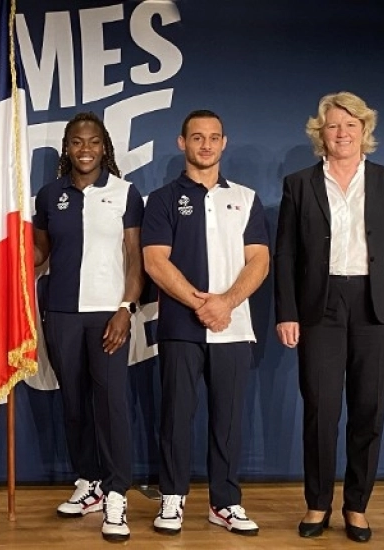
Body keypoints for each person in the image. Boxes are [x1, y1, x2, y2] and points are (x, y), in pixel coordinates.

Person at [274, 92, 384, 543]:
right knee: (320, 409)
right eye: (334, 125)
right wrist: (287, 312)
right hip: (321, 303)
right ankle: (317, 503)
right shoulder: (299, 184)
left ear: (364, 131)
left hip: (376, 305)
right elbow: (286, 255)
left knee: (369, 408)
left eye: (351, 125)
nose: (342, 133)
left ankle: (356, 506)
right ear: (320, 133)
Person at [142, 110, 269, 537]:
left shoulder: (247, 198)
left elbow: (260, 259)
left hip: (233, 326)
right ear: (182, 143)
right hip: (181, 325)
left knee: (229, 419)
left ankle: (226, 502)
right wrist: (201, 304)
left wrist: (226, 302)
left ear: (224, 143)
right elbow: (155, 262)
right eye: (197, 137)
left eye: (214, 137)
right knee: (176, 414)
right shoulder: (161, 200)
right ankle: (172, 498)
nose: (206, 145)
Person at [33, 112, 143, 542]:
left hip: (108, 314)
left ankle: (117, 493)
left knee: (112, 405)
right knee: (74, 404)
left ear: (104, 147)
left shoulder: (125, 193)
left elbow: (134, 257)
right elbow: (40, 252)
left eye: (93, 142)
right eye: (77, 142)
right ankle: (89, 482)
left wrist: (125, 308)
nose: (85, 149)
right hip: (61, 313)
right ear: (67, 147)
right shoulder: (49, 194)